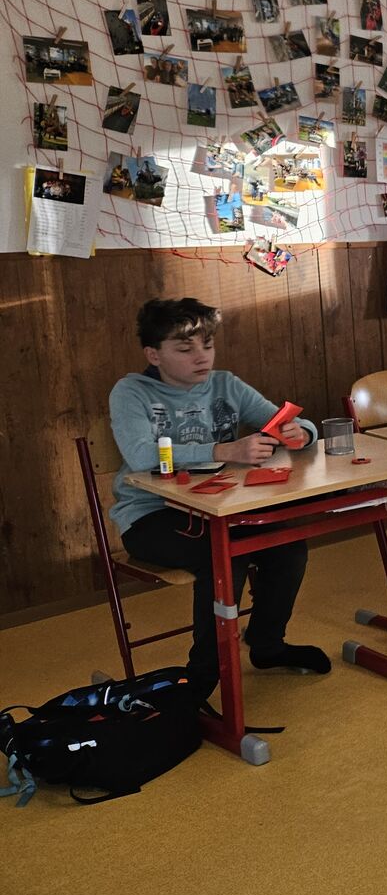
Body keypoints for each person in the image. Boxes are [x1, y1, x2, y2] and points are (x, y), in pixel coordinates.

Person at [109, 298, 325, 697]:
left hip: (219, 507)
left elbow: (283, 421)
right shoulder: (131, 391)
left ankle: (267, 645)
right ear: (154, 355)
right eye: (185, 348)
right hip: (150, 515)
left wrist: (302, 432)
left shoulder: (226, 384)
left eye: (207, 345)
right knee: (225, 556)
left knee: (288, 544)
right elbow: (140, 456)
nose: (201, 357)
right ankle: (205, 672)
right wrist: (223, 450)